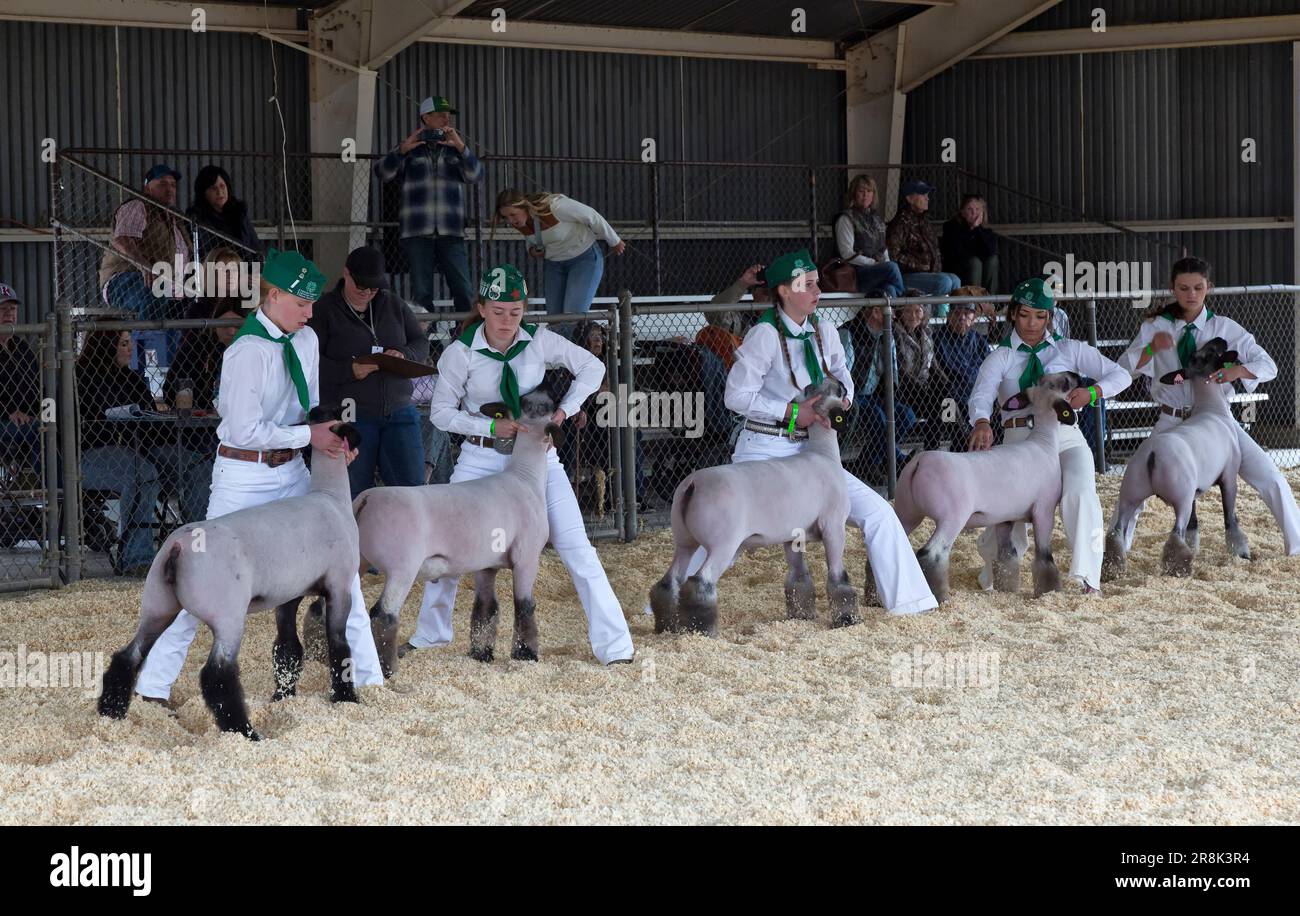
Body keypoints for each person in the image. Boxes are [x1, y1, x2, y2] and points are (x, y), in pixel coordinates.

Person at [134, 248, 384, 703]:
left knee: (343, 571)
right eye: (301, 304)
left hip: (290, 471)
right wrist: (309, 436)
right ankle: (153, 689)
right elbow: (244, 430)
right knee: (203, 580)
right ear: (272, 296)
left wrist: (331, 440)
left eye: (312, 303)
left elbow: (307, 410)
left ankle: (368, 681)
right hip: (242, 477)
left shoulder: (304, 341)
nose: (311, 313)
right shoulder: (246, 351)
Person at [679, 249, 937, 616]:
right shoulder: (764, 335)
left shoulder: (826, 330)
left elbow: (843, 375)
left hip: (815, 456)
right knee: (727, 536)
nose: (818, 291)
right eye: (808, 284)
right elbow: (735, 396)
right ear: (784, 291)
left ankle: (911, 603)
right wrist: (789, 412)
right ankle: (669, 597)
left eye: (818, 284)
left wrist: (842, 401)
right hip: (764, 449)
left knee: (879, 512)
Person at [402, 264, 635, 665]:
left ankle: (615, 646)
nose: (506, 320)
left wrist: (563, 411)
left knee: (575, 545)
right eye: (497, 311)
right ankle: (431, 634)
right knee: (448, 544)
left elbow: (593, 368)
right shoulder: (461, 354)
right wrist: (489, 423)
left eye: (515, 311)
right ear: (481, 308)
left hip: (537, 460)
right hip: (479, 457)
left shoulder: (540, 341)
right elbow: (440, 413)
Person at [1112, 256, 1300, 555]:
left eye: (1198, 287)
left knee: (1272, 478)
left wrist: (1237, 371)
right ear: (1173, 288)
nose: (1191, 294)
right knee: (1135, 483)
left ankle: (1296, 550)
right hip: (1172, 420)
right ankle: (1115, 551)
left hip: (1217, 423)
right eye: (1183, 288)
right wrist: (1150, 348)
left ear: (1208, 288)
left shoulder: (1225, 328)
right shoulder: (1156, 327)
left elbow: (1268, 365)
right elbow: (1124, 369)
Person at [966, 277, 1131, 594]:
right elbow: (981, 395)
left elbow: (1121, 374)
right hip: (1020, 441)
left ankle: (1087, 578)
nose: (1032, 323)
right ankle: (996, 570)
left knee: (1081, 493)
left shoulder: (1070, 349)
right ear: (1013, 313)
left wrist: (1094, 392)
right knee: (1007, 507)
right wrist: (982, 422)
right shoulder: (999, 357)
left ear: (1049, 318)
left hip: (1065, 437)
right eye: (1025, 314)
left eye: (1040, 316)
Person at [309, 246, 429, 498]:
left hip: (399, 410)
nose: (367, 293)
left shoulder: (392, 303)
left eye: (373, 288)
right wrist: (349, 370)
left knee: (412, 492)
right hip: (350, 412)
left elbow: (420, 342)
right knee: (353, 492)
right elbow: (309, 362)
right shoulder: (324, 310)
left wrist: (403, 355)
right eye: (360, 286)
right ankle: (355, 538)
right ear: (346, 274)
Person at [375, 95, 482, 324]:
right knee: (422, 291)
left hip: (451, 230)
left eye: (448, 114)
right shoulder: (410, 150)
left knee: (462, 288)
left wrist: (461, 146)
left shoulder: (455, 150)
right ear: (426, 117)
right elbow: (383, 173)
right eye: (440, 114)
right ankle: (425, 341)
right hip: (417, 231)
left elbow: (475, 175)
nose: (446, 118)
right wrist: (401, 150)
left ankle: (464, 336)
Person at [76, 330, 164, 574]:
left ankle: (195, 551)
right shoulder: (80, 378)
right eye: (123, 344)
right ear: (107, 346)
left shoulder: (132, 379)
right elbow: (84, 425)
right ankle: (136, 559)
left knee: (183, 467)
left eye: (130, 343)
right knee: (141, 473)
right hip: (89, 455)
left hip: (132, 449)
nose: (130, 349)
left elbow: (151, 419)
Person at [98, 163, 191, 375]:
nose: (169, 189)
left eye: (173, 185)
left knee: (186, 309)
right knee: (156, 290)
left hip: (168, 285)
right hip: (123, 278)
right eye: (162, 184)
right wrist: (145, 266)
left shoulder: (175, 219)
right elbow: (123, 239)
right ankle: (144, 370)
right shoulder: (138, 206)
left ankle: (170, 375)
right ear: (148, 187)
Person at [494, 189, 625, 316]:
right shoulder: (521, 221)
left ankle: (582, 337)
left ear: (524, 206)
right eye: (505, 217)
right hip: (554, 264)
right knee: (554, 318)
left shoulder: (555, 206)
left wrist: (614, 241)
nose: (510, 221)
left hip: (583, 258)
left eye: (512, 214)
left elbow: (592, 216)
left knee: (572, 315)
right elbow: (531, 238)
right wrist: (531, 250)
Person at [842, 302, 914, 475]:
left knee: (906, 415)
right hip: (853, 395)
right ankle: (895, 460)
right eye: (889, 312)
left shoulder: (886, 335)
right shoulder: (849, 332)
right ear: (875, 311)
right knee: (878, 417)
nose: (894, 317)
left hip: (875, 394)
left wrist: (892, 395)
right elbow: (843, 374)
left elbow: (893, 371)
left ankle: (868, 462)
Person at [886, 178, 961, 316]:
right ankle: (930, 324)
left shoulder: (925, 222)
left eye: (927, 194)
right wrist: (921, 266)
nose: (927, 198)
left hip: (929, 274)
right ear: (909, 198)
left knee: (955, 280)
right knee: (943, 282)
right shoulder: (900, 223)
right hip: (907, 277)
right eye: (922, 194)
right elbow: (893, 256)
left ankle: (950, 325)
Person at [932, 290, 991, 452]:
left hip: (976, 396)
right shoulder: (937, 339)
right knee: (949, 408)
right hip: (947, 398)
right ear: (949, 315)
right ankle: (961, 448)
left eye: (967, 313)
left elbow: (991, 369)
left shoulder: (978, 340)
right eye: (957, 312)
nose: (962, 317)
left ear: (973, 319)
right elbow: (937, 373)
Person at [834, 175, 905, 297]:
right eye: (861, 191)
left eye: (869, 191)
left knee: (890, 289)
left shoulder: (876, 219)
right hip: (857, 272)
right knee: (892, 268)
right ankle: (905, 304)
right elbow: (846, 254)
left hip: (878, 270)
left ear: (873, 195)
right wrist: (874, 263)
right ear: (854, 194)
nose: (865, 195)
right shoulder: (846, 219)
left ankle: (893, 314)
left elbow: (883, 248)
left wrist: (884, 263)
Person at [894, 297, 947, 451]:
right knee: (938, 406)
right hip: (904, 389)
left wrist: (946, 383)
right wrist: (921, 389)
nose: (913, 315)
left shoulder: (926, 334)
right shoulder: (895, 334)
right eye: (908, 311)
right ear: (900, 313)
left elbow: (934, 366)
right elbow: (901, 371)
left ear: (924, 313)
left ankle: (953, 442)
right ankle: (932, 449)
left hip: (923, 388)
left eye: (918, 311)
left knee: (949, 399)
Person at [0, 284, 41, 474]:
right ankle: (52, 489)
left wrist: (40, 412)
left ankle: (56, 489)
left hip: (26, 419)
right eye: (2, 309)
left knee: (53, 427)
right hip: (4, 420)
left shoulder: (21, 347)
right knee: (41, 432)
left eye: (12, 309)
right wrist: (9, 411)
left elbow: (37, 386)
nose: (9, 314)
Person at [186, 165, 261, 261]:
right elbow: (202, 251)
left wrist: (254, 271)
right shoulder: (197, 217)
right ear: (203, 192)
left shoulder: (239, 212)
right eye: (213, 188)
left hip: (244, 268)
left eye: (222, 186)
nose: (220, 192)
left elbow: (255, 245)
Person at [699, 263, 761, 370]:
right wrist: (743, 283)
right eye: (765, 292)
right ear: (755, 294)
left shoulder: (790, 318)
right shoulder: (743, 320)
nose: (769, 297)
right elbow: (714, 311)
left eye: (773, 292)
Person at [940, 194, 999, 293]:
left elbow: (990, 251)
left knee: (993, 260)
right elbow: (957, 253)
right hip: (958, 269)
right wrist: (971, 230)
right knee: (975, 262)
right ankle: (973, 303)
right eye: (969, 209)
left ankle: (990, 302)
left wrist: (977, 228)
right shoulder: (951, 227)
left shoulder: (986, 231)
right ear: (962, 212)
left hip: (980, 270)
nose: (974, 213)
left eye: (977, 209)